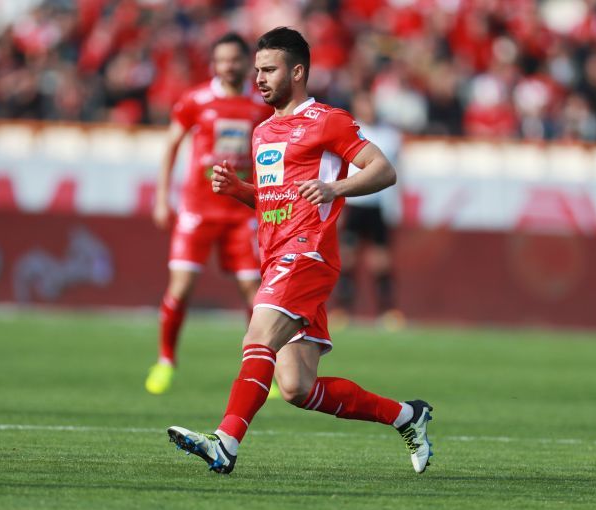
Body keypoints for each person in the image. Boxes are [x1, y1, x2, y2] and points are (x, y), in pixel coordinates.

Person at [167, 27, 433, 474]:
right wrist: (239, 190)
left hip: (307, 254)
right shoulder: (262, 131)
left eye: (269, 70)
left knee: (257, 338)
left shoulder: (328, 120)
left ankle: (225, 442)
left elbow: (383, 170)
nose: (259, 79)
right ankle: (407, 416)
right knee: (296, 387)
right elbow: (274, 200)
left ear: (297, 72)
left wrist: (335, 188)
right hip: (276, 255)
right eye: (257, 70)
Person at [145, 33, 273, 395]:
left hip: (242, 212)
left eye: (235, 59)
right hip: (198, 210)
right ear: (214, 64)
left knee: (254, 291)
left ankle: (262, 369)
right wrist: (161, 197)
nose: (229, 66)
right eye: (222, 60)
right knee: (181, 287)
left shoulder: (261, 103)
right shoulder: (195, 100)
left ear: (247, 62)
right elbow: (171, 144)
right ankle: (165, 360)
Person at [333, 91, 404, 327]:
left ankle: (387, 311)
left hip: (377, 205)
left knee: (381, 261)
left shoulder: (390, 135)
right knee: (347, 258)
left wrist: (396, 205)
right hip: (353, 204)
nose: (369, 108)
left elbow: (396, 173)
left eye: (371, 103)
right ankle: (342, 310)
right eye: (364, 103)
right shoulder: (350, 131)